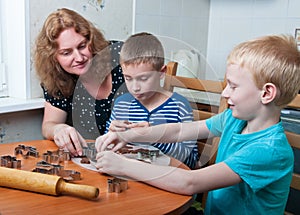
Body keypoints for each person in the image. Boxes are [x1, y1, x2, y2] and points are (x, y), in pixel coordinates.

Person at [94, 34, 300, 214]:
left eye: (233, 86)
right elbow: (179, 130)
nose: (225, 92)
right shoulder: (234, 119)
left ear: (266, 93)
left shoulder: (268, 150)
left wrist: (123, 165)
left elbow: (189, 182)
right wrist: (127, 136)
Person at [34, 8, 127, 156]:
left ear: (92, 41)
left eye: (82, 46)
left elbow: (157, 105)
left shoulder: (120, 55)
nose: (79, 57)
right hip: (94, 159)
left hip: (136, 151)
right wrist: (58, 129)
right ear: (53, 58)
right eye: (66, 53)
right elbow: (49, 125)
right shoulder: (56, 79)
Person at [106, 32, 198, 169]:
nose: (135, 87)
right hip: (130, 175)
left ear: (161, 72)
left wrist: (154, 136)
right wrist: (111, 136)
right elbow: (107, 151)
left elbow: (190, 162)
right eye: (128, 78)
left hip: (166, 180)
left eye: (143, 79)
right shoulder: (122, 104)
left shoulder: (179, 106)